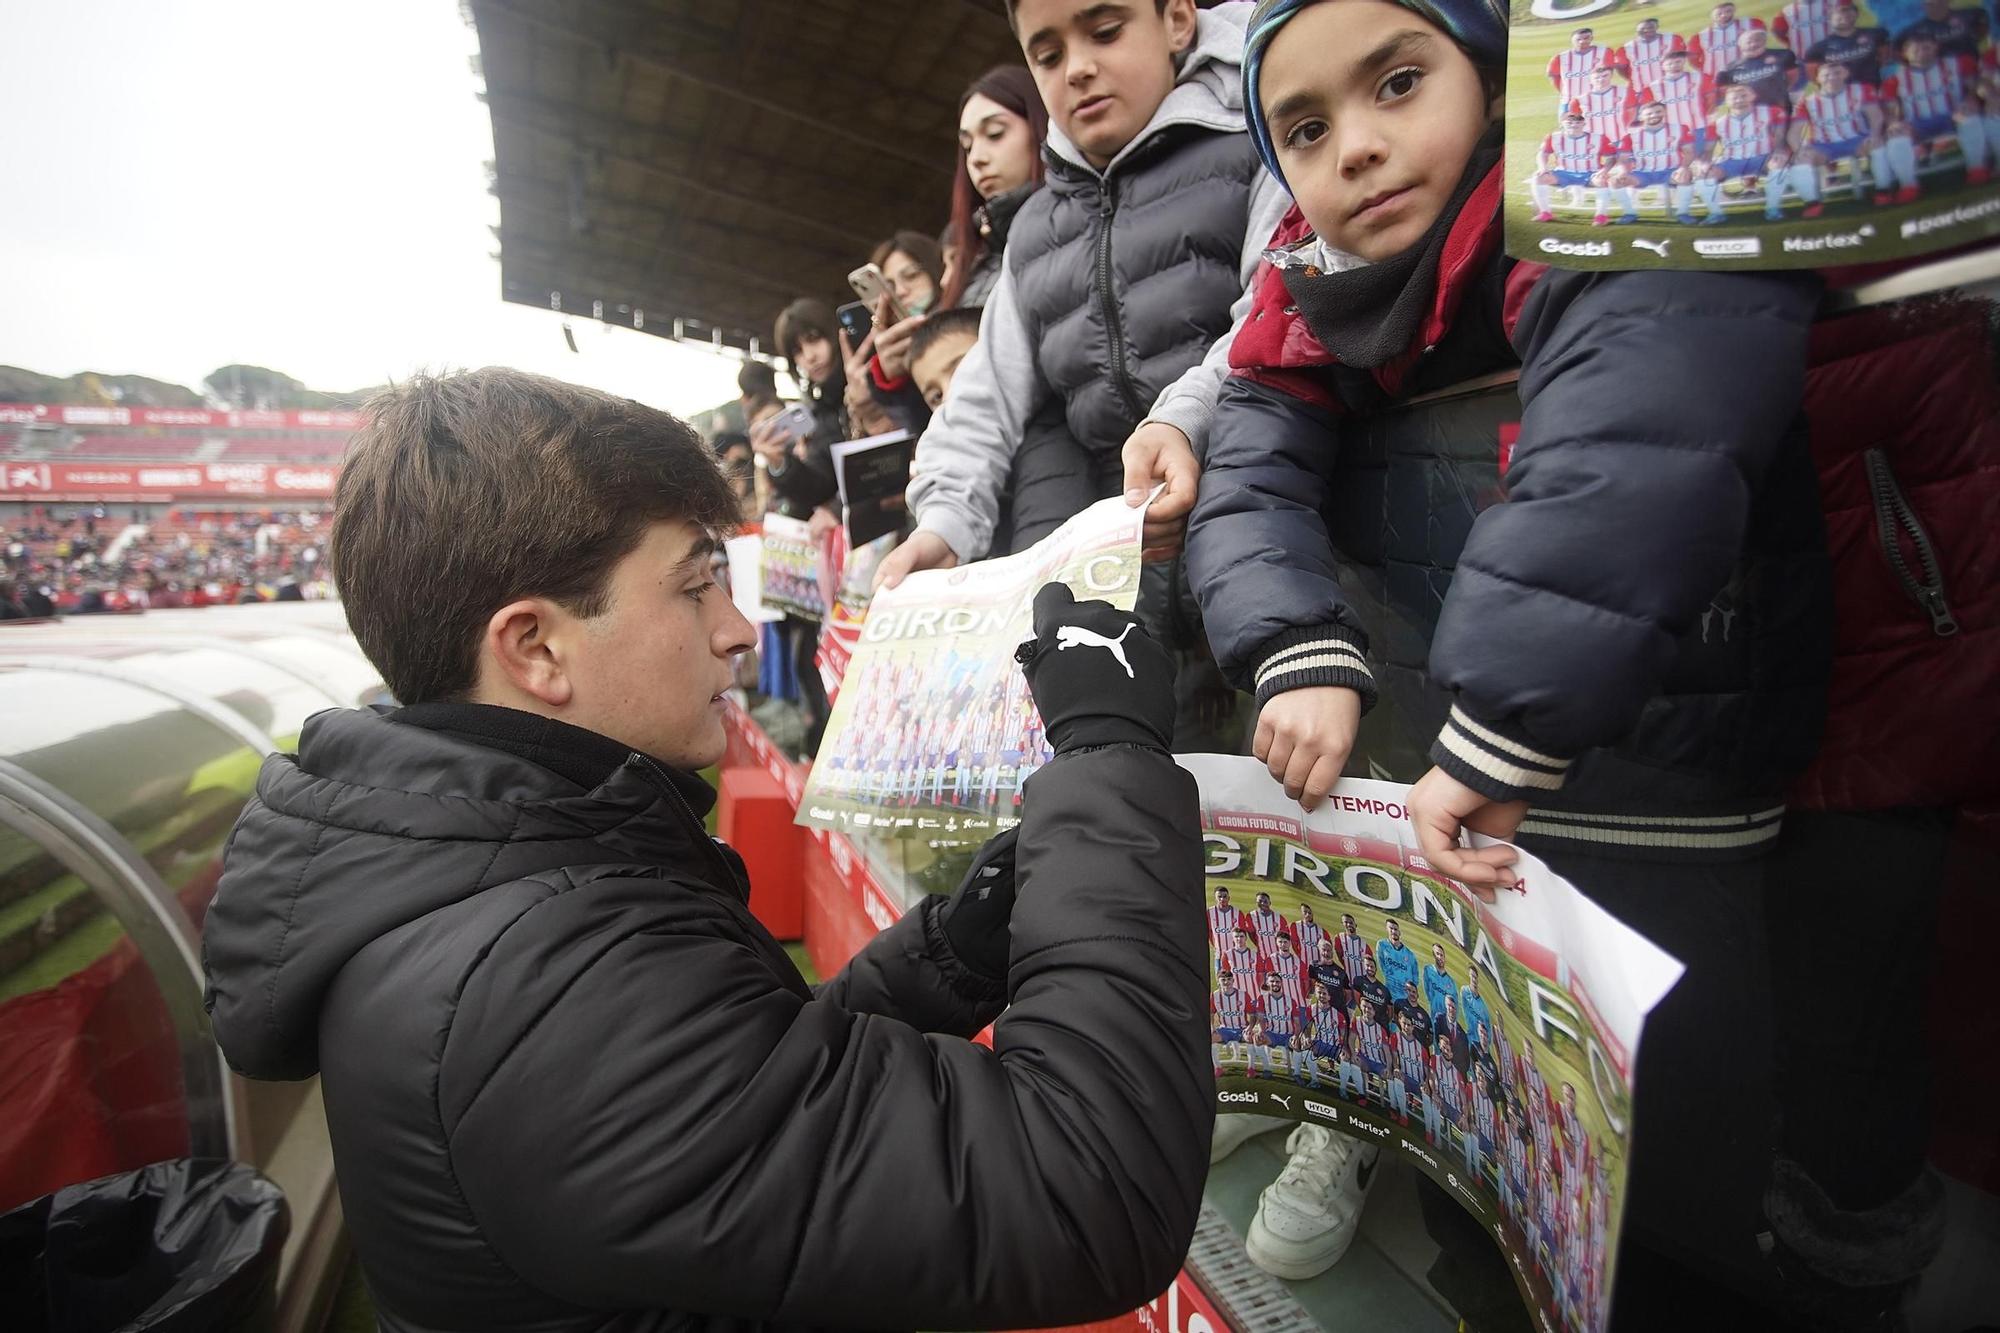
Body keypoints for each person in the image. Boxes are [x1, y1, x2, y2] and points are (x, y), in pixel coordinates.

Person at [202, 368, 1209, 1332]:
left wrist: (956, 949)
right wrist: (1108, 753)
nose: (736, 629)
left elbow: (752, 1106)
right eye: (693, 589)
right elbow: (1082, 1184)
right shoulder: (544, 981)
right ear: (535, 647)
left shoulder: (501, 887)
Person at [1187, 0, 1834, 1319]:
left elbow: (1643, 418)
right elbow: (1245, 485)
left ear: (1496, 76)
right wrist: (1295, 648)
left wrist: (1499, 718)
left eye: (1399, 82)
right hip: (1456, 804)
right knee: (1480, 1141)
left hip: (1659, 800)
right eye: (1304, 128)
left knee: (1671, 1177)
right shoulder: (1294, 308)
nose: (1355, 149)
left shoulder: (1607, 210)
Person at [882, 0, 1290, 603]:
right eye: (1048, 55)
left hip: (1261, 524)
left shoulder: (1257, 145)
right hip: (1118, 561)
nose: (1076, 68)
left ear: (1177, 21)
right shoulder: (1034, 232)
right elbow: (984, 393)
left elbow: (1271, 317)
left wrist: (1185, 418)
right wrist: (945, 522)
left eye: (1104, 32)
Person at [943, 64, 1051, 310]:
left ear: (1039, 128)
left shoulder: (1087, 226)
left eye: (994, 134)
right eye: (967, 146)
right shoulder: (970, 265)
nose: (976, 159)